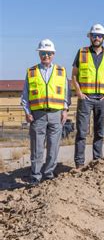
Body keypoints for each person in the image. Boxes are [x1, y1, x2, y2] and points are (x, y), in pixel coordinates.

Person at [21, 39, 69, 185]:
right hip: (37, 115)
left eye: (48, 53)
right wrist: (27, 112)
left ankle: (48, 174)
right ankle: (35, 176)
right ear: (39, 54)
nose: (46, 56)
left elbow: (66, 93)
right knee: (37, 147)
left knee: (53, 146)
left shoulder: (61, 71)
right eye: (43, 53)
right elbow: (25, 95)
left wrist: (65, 110)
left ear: (53, 54)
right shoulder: (31, 72)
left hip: (56, 114)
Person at [71, 24, 104, 169]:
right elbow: (74, 75)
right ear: (90, 36)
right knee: (82, 132)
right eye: (94, 35)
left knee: (99, 133)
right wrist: (79, 93)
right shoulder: (82, 52)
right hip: (86, 99)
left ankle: (97, 161)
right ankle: (79, 164)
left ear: (103, 38)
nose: (97, 38)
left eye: (99, 36)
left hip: (102, 99)